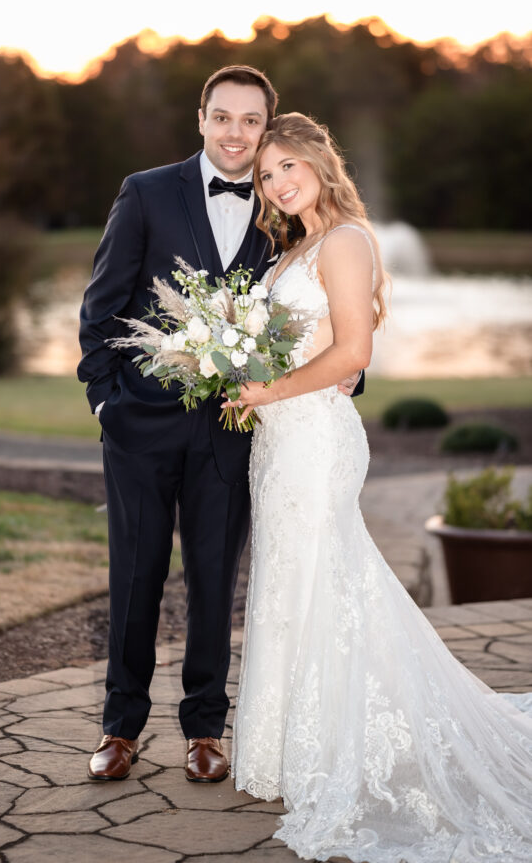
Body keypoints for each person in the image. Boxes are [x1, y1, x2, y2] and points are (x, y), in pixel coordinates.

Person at [226, 112, 532, 861]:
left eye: (286, 166)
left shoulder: (348, 241)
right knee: (289, 579)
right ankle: (283, 747)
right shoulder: (291, 249)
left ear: (319, 161)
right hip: (278, 441)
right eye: (265, 176)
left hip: (315, 437)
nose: (276, 183)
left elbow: (353, 354)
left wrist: (270, 391)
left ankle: (330, 744)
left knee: (326, 578)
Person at [78, 64, 363, 784]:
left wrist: (353, 371)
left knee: (215, 581)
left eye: (251, 121)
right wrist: (106, 401)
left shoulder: (280, 210)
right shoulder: (145, 193)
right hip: (139, 426)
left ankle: (205, 729)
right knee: (136, 576)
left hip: (237, 432)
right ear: (200, 118)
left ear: (267, 129)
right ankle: (120, 727)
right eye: (223, 117)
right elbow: (101, 305)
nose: (236, 133)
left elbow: (328, 303)